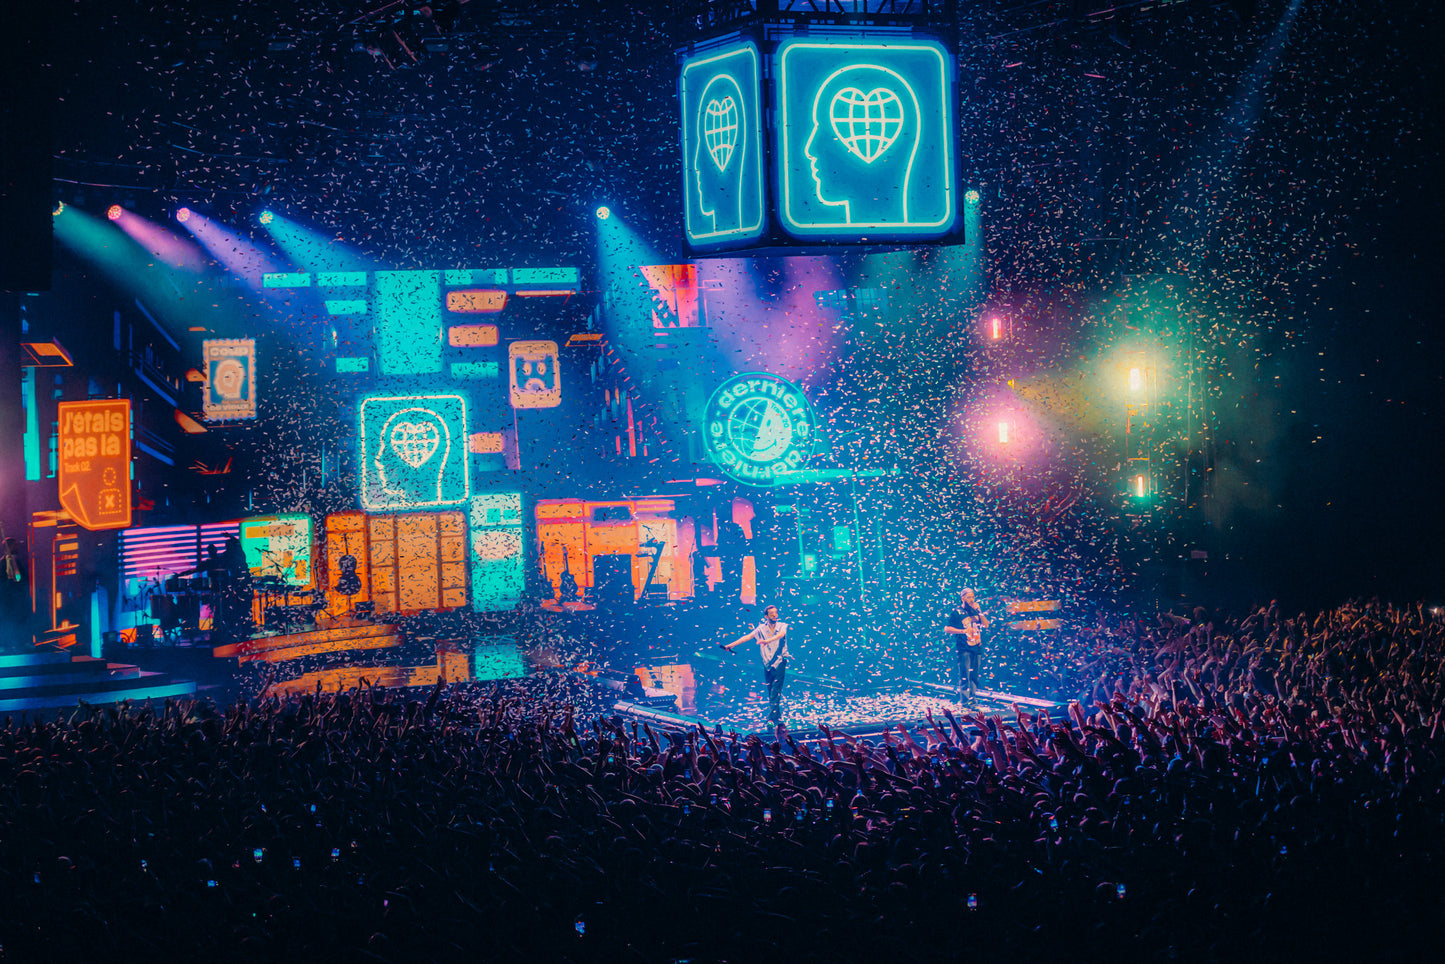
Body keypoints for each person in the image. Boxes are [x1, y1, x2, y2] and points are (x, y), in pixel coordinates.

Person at [721, 604, 790, 725]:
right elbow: (747, 637)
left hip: (780, 661)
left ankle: (771, 718)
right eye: (772, 613)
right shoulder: (761, 629)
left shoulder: (782, 625)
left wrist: (767, 641)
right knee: (771, 690)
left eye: (776, 612)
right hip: (767, 662)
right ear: (766, 616)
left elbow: (781, 635)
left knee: (775, 689)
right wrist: (731, 645)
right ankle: (777, 716)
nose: (775, 615)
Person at [944, 588, 989, 704]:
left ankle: (973, 701)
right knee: (965, 676)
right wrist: (963, 631)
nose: (971, 600)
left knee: (975, 676)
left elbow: (986, 625)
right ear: (962, 598)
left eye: (973, 597)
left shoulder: (975, 611)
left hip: (977, 647)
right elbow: (947, 628)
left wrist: (979, 611)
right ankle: (964, 702)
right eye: (969, 597)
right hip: (964, 648)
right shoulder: (956, 612)